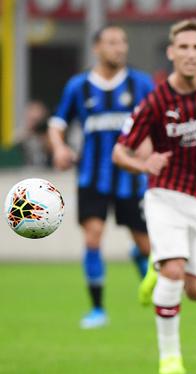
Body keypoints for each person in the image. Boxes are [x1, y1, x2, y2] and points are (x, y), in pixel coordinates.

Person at [112, 18, 196, 374]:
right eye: (182, 47)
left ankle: (160, 266)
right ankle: (170, 358)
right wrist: (144, 163)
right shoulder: (155, 101)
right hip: (165, 192)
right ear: (171, 52)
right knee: (174, 270)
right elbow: (119, 152)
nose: (190, 54)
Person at [47, 25, 154, 329]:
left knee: (146, 246)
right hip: (92, 178)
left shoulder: (141, 83)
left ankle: (141, 261)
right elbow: (57, 124)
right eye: (112, 42)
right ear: (97, 48)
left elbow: (156, 122)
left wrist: (149, 149)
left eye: (123, 42)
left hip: (131, 178)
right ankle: (97, 310)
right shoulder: (78, 86)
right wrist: (59, 148)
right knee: (93, 237)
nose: (119, 48)